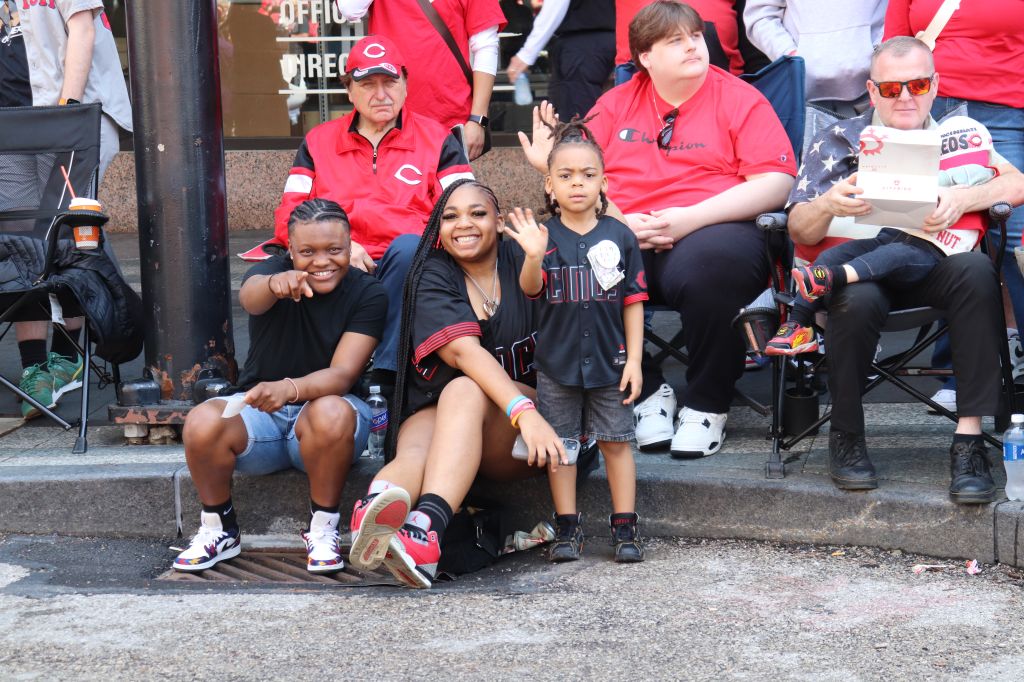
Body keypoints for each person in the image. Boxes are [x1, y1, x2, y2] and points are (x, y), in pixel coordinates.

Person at [522, 0, 795, 458]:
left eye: (695, 37)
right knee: (571, 262)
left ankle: (708, 403)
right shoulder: (616, 103)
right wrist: (618, 220)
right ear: (644, 58)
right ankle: (647, 391)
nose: (694, 46)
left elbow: (776, 182)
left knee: (712, 269)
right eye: (676, 41)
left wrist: (690, 218)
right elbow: (580, 176)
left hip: (714, 223)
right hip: (625, 224)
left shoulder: (740, 97)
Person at [785, 36, 1024, 502]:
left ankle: (969, 441)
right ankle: (847, 436)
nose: (906, 97)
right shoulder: (836, 140)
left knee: (976, 269)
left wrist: (963, 197)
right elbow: (797, 227)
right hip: (857, 272)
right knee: (855, 295)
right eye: (892, 89)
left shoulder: (961, 137)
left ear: (935, 85)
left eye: (916, 84)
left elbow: (1016, 182)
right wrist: (827, 204)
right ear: (872, 93)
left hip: (933, 268)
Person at [347, 179, 565, 589]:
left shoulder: (525, 255)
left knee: (464, 389)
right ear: (438, 229)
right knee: (422, 437)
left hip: (530, 434)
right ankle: (382, 508)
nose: (464, 224)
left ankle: (423, 525)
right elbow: (463, 353)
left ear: (500, 222)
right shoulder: (430, 272)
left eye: (478, 213)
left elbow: (602, 226)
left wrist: (526, 414)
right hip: (455, 420)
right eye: (450, 216)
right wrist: (523, 412)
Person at [242, 35, 473, 395]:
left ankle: (384, 373)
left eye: (390, 82)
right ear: (349, 90)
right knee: (278, 271)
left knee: (408, 248)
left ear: (406, 84)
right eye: (367, 84)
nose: (381, 94)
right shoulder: (318, 141)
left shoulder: (438, 138)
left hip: (412, 263)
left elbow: (466, 213)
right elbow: (291, 211)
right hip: (340, 261)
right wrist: (346, 249)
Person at [173, 199, 387, 573]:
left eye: (334, 250)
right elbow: (250, 298)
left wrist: (288, 389)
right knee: (202, 421)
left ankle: (323, 529)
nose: (321, 261)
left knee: (332, 410)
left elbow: (342, 375)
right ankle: (218, 528)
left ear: (351, 247)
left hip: (327, 422)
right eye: (307, 252)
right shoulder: (273, 272)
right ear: (290, 250)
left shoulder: (369, 293)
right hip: (262, 418)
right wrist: (274, 284)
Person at [505, 118, 647, 563]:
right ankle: (567, 525)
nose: (577, 184)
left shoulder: (620, 235)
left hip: (611, 361)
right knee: (561, 448)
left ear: (604, 181)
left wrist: (636, 361)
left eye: (588, 175)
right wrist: (531, 255)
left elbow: (634, 302)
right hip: (557, 365)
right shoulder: (541, 237)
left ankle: (624, 525)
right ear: (549, 184)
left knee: (616, 443)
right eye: (565, 176)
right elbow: (531, 289)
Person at [884, 0, 1024, 412]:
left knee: (1013, 237)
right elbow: (894, 44)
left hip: (1005, 110)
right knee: (940, 230)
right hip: (923, 107)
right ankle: (956, 371)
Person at [2, 0, 132, 419]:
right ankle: (33, 368)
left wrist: (67, 110)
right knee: (20, 241)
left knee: (65, 232)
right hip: (13, 124)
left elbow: (83, 30)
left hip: (69, 117)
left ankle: (67, 355)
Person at [766, 161, 1000, 356]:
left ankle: (832, 277)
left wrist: (942, 184)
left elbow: (985, 172)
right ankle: (798, 325)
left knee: (892, 256)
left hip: (932, 250)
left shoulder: (976, 176)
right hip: (895, 232)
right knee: (834, 254)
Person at [335, 0, 505, 161]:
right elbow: (350, 9)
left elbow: (486, 46)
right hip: (389, 118)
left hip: (450, 116)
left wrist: (478, 119)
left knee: (451, 189)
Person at [743, 0, 885, 113]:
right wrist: (792, 56)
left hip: (873, 90)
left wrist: (877, 52)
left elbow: (897, 10)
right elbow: (760, 15)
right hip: (802, 97)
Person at [504, 0, 615, 121]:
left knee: (575, 123)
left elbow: (556, 4)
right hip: (608, 38)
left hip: (581, 45)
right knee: (603, 115)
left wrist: (527, 53)